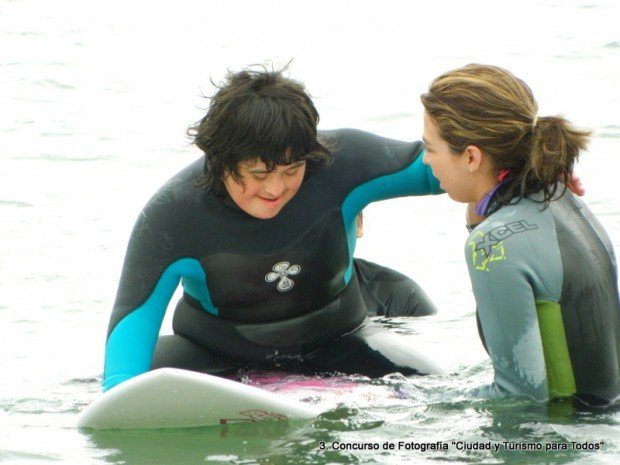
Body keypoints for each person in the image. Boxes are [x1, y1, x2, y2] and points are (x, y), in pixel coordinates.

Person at [102, 66, 443, 392]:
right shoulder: (173, 215)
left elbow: (441, 168)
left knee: (436, 385)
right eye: (259, 174)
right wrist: (119, 391)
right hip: (217, 355)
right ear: (220, 161)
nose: (276, 189)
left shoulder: (341, 164)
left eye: (292, 169)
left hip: (341, 340)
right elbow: (135, 314)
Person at [420, 63, 620, 407]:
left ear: (471, 156)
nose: (424, 161)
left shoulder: (492, 244)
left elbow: (520, 399)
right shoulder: (560, 196)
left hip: (562, 444)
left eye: (430, 148)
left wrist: (417, 402)